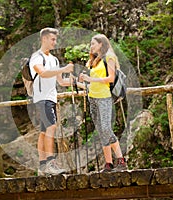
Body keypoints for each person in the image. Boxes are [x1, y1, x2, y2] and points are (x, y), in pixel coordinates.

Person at [79, 34, 127, 172]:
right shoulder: (94, 61)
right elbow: (93, 81)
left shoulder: (109, 57)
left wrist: (90, 79)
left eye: (93, 43)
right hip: (92, 97)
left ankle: (121, 160)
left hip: (104, 97)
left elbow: (110, 78)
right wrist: (83, 80)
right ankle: (108, 163)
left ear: (101, 44)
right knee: (101, 131)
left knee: (106, 128)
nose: (91, 46)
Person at [29, 27, 74, 175]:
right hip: (42, 98)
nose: (55, 42)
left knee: (44, 131)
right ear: (44, 39)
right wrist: (63, 69)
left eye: (55, 39)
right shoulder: (37, 57)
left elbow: (61, 82)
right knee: (51, 127)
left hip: (51, 98)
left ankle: (42, 166)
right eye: (52, 39)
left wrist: (78, 82)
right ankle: (50, 162)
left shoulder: (54, 59)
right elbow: (42, 73)